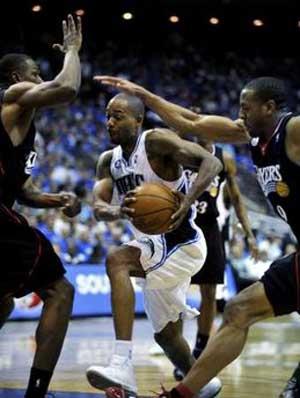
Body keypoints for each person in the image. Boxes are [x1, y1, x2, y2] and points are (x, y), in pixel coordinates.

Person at [94, 76, 300, 398]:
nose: (240, 115)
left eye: (246, 108)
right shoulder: (247, 134)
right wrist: (143, 93)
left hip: (191, 237)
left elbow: (211, 160)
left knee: (212, 296)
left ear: (270, 107)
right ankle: (189, 391)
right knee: (236, 310)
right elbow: (191, 121)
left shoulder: (293, 129)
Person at [86, 92, 223, 398]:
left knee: (116, 260)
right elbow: (97, 206)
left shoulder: (156, 142)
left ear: (138, 120)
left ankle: (121, 363)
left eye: (118, 115)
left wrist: (187, 202)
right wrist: (118, 210)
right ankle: (202, 383)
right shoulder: (108, 161)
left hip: (182, 242)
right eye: (107, 115)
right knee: (167, 337)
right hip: (154, 248)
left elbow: (211, 162)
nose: (110, 121)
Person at [0, 14, 82, 398]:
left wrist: (57, 199)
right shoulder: (13, 98)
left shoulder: (24, 125)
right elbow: (67, 87)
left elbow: (23, 191)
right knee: (60, 291)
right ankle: (36, 392)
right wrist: (72, 52)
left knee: (2, 303)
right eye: (35, 73)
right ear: (17, 78)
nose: (40, 78)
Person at [173, 137, 258, 381]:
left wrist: (249, 234)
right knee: (175, 292)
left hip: (210, 227)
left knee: (209, 292)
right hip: (181, 224)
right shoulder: (179, 151)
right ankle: (178, 352)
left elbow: (237, 199)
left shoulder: (224, 157)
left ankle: (199, 351)